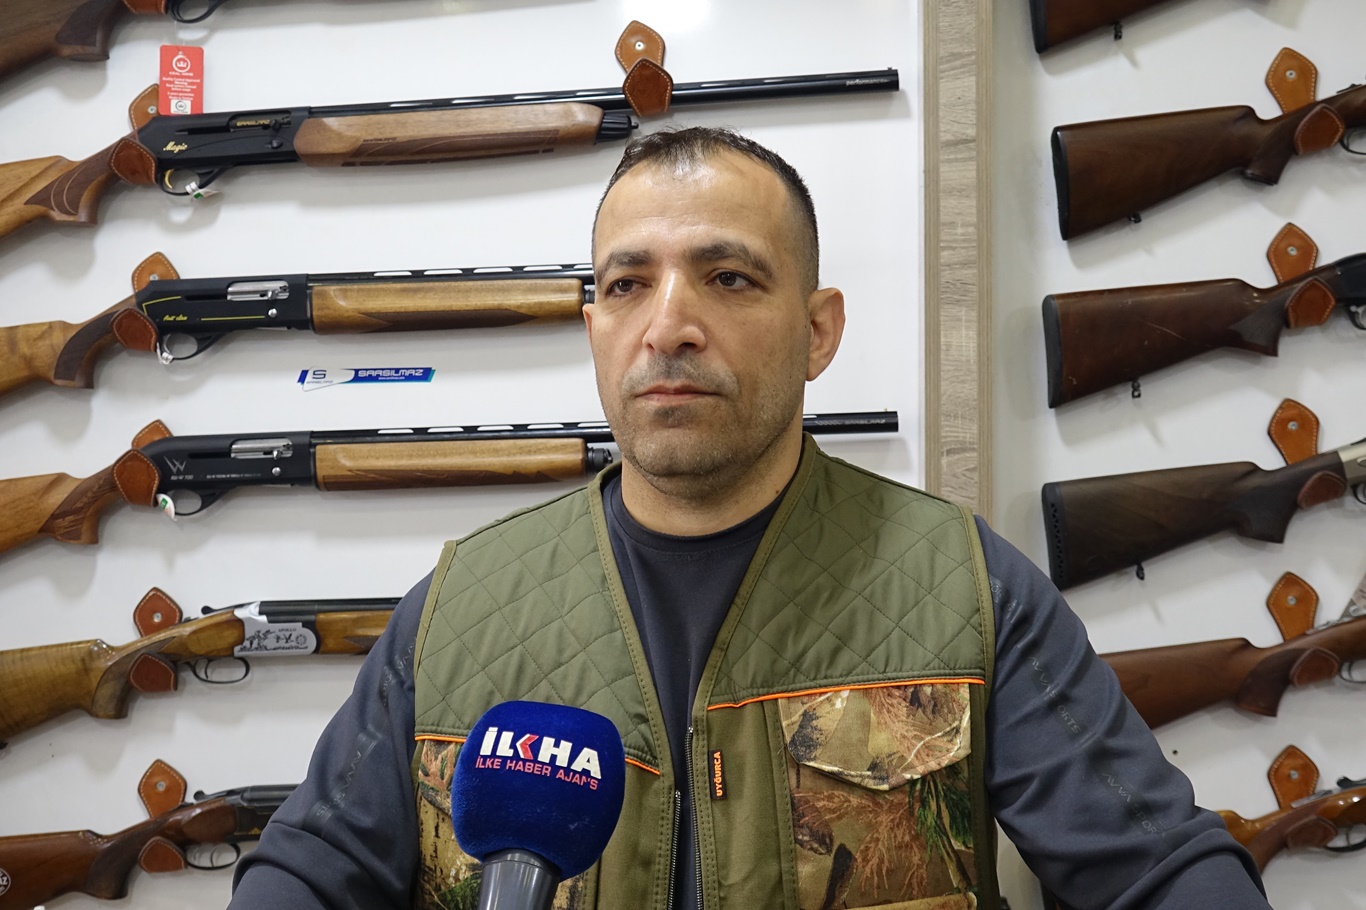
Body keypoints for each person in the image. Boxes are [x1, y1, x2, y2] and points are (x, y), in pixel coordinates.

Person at [230, 127, 1271, 910]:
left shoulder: (963, 587)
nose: (668, 326)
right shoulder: (460, 609)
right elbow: (305, 873)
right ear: (594, 327)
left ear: (818, 331)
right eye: (627, 284)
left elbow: (1163, 870)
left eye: (727, 278)